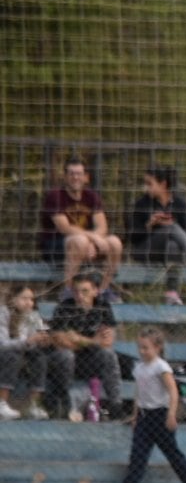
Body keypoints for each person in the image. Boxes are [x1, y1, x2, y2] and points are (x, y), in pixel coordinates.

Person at [116, 327, 186, 483]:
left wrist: (171, 414)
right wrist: (135, 414)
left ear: (158, 347)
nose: (142, 351)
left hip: (160, 415)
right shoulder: (139, 368)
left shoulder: (161, 367)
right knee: (138, 454)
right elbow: (139, 393)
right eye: (140, 347)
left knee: (172, 454)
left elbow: (173, 391)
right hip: (145, 417)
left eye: (146, 348)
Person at [126, 165, 186, 304]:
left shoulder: (179, 203)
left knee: (173, 244)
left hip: (173, 254)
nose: (146, 188)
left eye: (150, 184)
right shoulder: (142, 203)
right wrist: (149, 225)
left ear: (163, 184)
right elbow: (132, 237)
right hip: (146, 250)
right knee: (171, 228)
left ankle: (172, 292)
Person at [38, 157, 123, 300]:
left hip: (87, 245)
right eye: (71, 173)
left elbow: (102, 226)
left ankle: (103, 289)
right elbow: (64, 228)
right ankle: (68, 291)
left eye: (79, 173)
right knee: (79, 240)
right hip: (57, 245)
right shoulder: (55, 196)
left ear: (86, 177)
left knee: (115, 242)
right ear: (65, 176)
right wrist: (93, 239)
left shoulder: (91, 196)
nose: (75, 177)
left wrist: (93, 243)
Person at [44, 271, 122, 420]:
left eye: (85, 291)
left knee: (109, 354)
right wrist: (93, 341)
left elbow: (107, 341)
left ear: (95, 291)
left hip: (92, 359)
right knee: (65, 355)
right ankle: (65, 402)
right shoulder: (64, 308)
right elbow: (61, 341)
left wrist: (76, 338)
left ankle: (115, 405)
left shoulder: (103, 307)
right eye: (76, 291)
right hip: (68, 361)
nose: (80, 296)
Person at [0, 284, 52, 420]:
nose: (29, 303)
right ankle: (2, 403)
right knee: (12, 356)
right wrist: (27, 341)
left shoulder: (33, 315)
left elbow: (35, 338)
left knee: (39, 357)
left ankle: (34, 405)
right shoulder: (3, 313)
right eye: (24, 298)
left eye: (31, 299)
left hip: (23, 351)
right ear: (13, 299)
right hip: (6, 352)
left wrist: (42, 341)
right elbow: (3, 344)